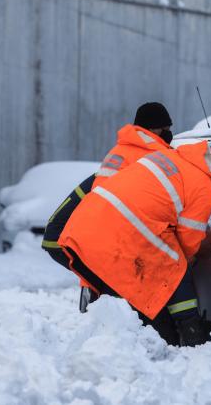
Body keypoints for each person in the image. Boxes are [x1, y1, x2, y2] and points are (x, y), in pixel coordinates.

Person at [58, 142, 211, 346]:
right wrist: (189, 258)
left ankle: (125, 333)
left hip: (89, 223)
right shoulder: (203, 184)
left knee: (134, 284)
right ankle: (190, 332)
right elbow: (190, 236)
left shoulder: (173, 158)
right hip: (124, 228)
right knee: (176, 267)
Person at [41, 102, 174, 308]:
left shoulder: (120, 149)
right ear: (152, 128)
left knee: (101, 294)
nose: (168, 133)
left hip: (98, 231)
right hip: (123, 239)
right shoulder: (155, 156)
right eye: (164, 128)